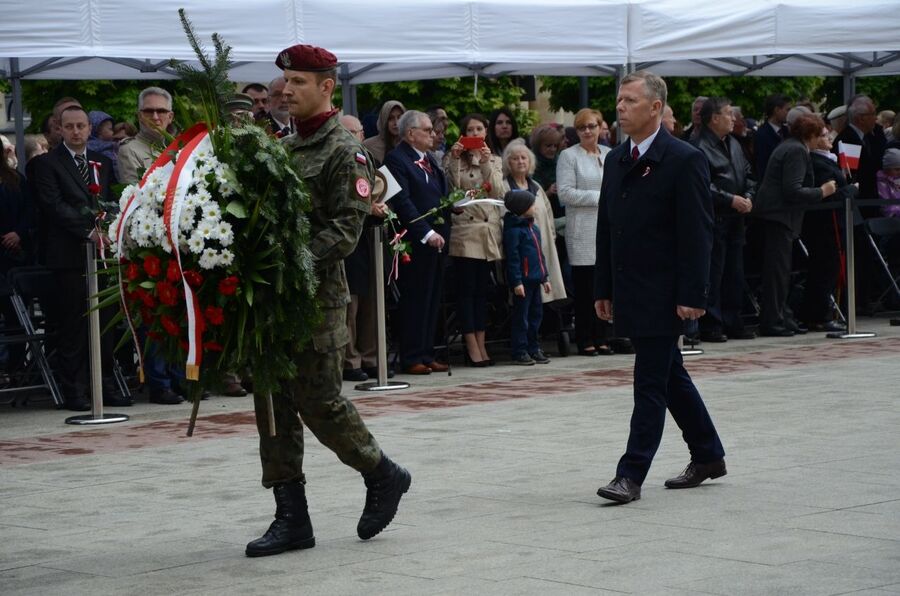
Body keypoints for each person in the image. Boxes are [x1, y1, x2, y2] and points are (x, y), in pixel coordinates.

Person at [246, 43, 411, 558]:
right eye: (284, 83)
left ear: (326, 87)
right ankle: (291, 516)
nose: (286, 91)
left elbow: (344, 231)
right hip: (271, 299)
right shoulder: (282, 146)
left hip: (315, 298)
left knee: (319, 402)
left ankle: (381, 472)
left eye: (298, 82)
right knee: (272, 401)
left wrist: (286, 264)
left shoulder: (346, 150)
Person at [594, 70, 726, 504]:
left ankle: (630, 474)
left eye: (630, 101)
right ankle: (708, 454)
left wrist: (693, 294)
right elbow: (607, 228)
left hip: (665, 291)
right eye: (619, 100)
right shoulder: (616, 159)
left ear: (655, 107)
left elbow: (698, 232)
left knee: (649, 381)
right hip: (630, 286)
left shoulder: (684, 159)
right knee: (669, 375)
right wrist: (603, 287)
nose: (620, 108)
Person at [32, 106, 133, 412]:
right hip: (69, 255)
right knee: (74, 325)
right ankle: (74, 389)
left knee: (104, 323)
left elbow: (112, 198)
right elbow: (53, 204)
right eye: (69, 126)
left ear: (90, 128)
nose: (76, 132)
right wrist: (88, 231)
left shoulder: (101, 161)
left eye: (81, 126)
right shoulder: (46, 164)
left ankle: (104, 384)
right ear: (59, 129)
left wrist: (110, 225)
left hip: (101, 256)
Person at [754, 112, 837, 336]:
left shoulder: (790, 147)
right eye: (819, 134)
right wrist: (822, 191)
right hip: (779, 217)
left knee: (780, 271)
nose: (822, 138)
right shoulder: (796, 150)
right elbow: (793, 190)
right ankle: (773, 321)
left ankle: (782, 318)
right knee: (777, 273)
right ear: (810, 135)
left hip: (779, 217)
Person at [384, 111, 450, 375]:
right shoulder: (396, 159)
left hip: (437, 237)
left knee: (432, 297)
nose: (433, 135)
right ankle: (412, 356)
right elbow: (403, 201)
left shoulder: (429, 158)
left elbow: (437, 191)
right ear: (411, 133)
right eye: (427, 130)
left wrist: (453, 203)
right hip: (415, 239)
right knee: (415, 298)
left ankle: (427, 352)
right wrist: (426, 232)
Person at [691, 97, 757, 342]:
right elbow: (701, 184)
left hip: (736, 219)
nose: (733, 118)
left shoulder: (734, 143)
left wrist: (748, 196)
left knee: (734, 272)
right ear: (714, 118)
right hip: (714, 218)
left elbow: (748, 173)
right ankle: (711, 323)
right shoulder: (699, 146)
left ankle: (733, 320)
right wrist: (730, 199)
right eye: (728, 113)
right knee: (714, 273)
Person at [443, 113, 504, 367]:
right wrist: (455, 159)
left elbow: (499, 191)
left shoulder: (495, 159)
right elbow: (454, 193)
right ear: (463, 134)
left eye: (479, 129)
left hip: (487, 232)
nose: (475, 134)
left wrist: (487, 162)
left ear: (486, 132)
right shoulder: (453, 158)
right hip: (465, 231)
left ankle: (481, 342)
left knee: (482, 292)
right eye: (470, 130)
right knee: (466, 292)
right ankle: (471, 345)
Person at [557, 108, 614, 356]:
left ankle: (603, 336)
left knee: (605, 285)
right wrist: (601, 197)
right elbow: (565, 193)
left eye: (592, 126)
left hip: (607, 228)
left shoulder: (609, 154)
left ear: (601, 127)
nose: (588, 131)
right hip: (582, 230)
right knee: (585, 288)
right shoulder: (569, 156)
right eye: (582, 128)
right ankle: (585, 338)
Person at [801, 125, 857, 332]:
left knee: (831, 269)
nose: (829, 138)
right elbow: (830, 194)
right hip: (825, 223)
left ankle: (824, 313)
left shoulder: (828, 159)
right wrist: (851, 190)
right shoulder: (817, 162)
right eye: (824, 136)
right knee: (824, 269)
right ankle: (819, 315)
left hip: (835, 220)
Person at [501, 139, 567, 305]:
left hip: (543, 244)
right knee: (524, 299)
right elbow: (502, 217)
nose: (520, 161)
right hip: (520, 249)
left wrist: (551, 235)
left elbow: (548, 213)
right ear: (508, 162)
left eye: (524, 157)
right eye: (515, 158)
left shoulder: (536, 186)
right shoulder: (504, 187)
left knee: (545, 291)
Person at [503, 190, 551, 365]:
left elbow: (540, 255)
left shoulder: (534, 229)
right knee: (521, 318)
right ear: (521, 208)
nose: (534, 207)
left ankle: (534, 347)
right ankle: (520, 350)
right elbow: (513, 258)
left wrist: (545, 277)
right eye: (531, 205)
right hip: (523, 282)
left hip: (536, 279)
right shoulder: (514, 232)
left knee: (535, 316)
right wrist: (516, 281)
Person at [118, 87, 175, 184]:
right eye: (149, 111)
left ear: (170, 117)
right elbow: (134, 190)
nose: (155, 117)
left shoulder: (177, 148)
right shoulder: (129, 150)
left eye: (161, 111)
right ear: (140, 116)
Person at [756, 93, 791, 179]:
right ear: (777, 110)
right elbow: (762, 166)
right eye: (787, 110)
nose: (789, 113)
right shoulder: (762, 135)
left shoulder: (787, 131)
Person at [363, 101, 405, 166]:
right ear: (384, 120)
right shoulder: (369, 146)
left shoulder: (411, 144)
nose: (396, 123)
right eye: (390, 118)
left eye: (399, 117)